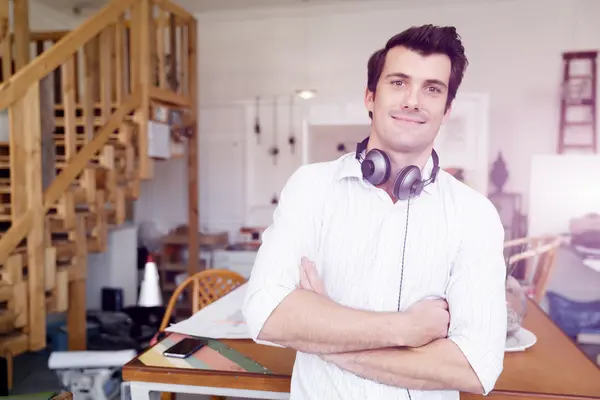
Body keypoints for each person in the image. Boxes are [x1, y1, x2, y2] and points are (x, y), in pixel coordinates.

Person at [242, 24, 507, 400]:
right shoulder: (311, 186)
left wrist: (321, 333)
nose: (413, 100)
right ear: (370, 96)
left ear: (446, 110)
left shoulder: (475, 213)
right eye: (398, 83)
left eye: (432, 89)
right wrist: (406, 330)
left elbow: (476, 367)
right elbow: (265, 313)